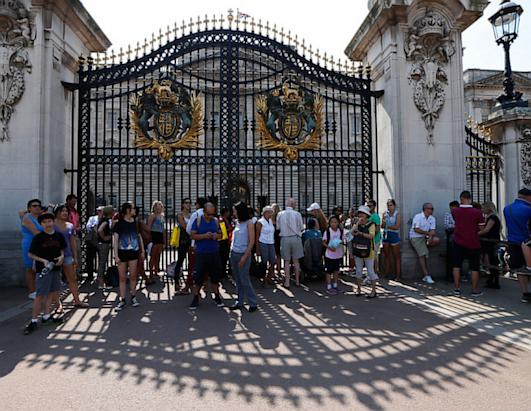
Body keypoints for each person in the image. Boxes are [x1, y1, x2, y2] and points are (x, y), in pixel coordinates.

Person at [24, 212, 66, 335]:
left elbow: (62, 249)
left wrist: (62, 257)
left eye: (49, 221)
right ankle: (33, 320)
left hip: (56, 269)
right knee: (40, 295)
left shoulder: (59, 236)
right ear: (41, 224)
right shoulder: (38, 237)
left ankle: (47, 316)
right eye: (44, 222)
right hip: (44, 270)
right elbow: (30, 254)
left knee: (52, 293)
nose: (47, 224)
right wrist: (43, 261)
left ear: (53, 222)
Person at [188, 202, 224, 310]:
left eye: (212, 214)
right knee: (198, 276)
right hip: (201, 253)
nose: (210, 216)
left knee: (215, 276)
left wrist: (216, 236)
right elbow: (192, 235)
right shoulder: (198, 221)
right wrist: (204, 236)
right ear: (203, 212)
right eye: (208, 214)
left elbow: (221, 235)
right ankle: (195, 297)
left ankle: (217, 296)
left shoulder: (216, 221)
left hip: (214, 252)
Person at [54, 204, 89, 309]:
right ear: (56, 212)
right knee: (55, 280)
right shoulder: (51, 224)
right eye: (62, 211)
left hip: (68, 255)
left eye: (66, 211)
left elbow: (72, 242)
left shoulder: (70, 225)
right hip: (55, 255)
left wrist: (76, 257)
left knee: (72, 279)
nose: (65, 213)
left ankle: (77, 300)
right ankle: (57, 303)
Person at [112, 202, 145, 311]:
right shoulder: (119, 224)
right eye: (133, 209)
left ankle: (133, 296)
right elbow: (115, 240)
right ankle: (122, 299)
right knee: (122, 277)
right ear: (127, 210)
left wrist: (142, 251)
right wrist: (115, 255)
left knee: (133, 275)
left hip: (133, 253)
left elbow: (139, 237)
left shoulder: (135, 223)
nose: (135, 211)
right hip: (122, 253)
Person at [451, 191, 484, 296]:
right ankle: (474, 290)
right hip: (473, 241)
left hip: (458, 240)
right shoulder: (477, 212)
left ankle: (457, 288)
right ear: (470, 199)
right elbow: (481, 227)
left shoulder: (455, 211)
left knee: (456, 265)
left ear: (461, 199)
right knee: (474, 267)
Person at [503, 188, 531, 303]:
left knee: (520, 269)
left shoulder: (507, 209)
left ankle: (525, 292)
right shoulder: (529, 209)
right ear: (528, 197)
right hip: (527, 241)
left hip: (513, 241)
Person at [229, 202, 258, 311]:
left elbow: (251, 241)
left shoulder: (249, 223)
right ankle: (239, 300)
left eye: (235, 210)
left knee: (244, 278)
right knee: (237, 279)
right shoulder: (237, 222)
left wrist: (245, 256)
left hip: (243, 253)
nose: (233, 213)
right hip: (234, 252)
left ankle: (253, 302)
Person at [276, 198, 304, 288]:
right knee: (296, 261)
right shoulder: (297, 214)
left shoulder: (280, 214)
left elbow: (278, 227)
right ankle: (297, 281)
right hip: (295, 238)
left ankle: (287, 282)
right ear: (292, 204)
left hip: (285, 238)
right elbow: (301, 227)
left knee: (286, 261)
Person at [351, 205, 378, 298]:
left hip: (368, 250)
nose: (361, 215)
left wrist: (361, 233)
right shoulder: (357, 223)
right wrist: (357, 224)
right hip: (358, 249)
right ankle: (358, 289)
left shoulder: (371, 224)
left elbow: (371, 236)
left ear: (367, 215)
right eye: (360, 213)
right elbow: (352, 232)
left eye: (363, 214)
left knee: (370, 271)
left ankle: (374, 290)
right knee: (358, 270)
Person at [409, 202, 438, 284]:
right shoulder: (418, 217)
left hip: (425, 237)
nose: (432, 210)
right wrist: (428, 234)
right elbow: (416, 229)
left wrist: (430, 237)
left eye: (432, 209)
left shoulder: (432, 218)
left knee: (436, 240)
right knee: (423, 255)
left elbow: (432, 230)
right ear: (425, 209)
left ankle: (425, 248)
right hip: (416, 237)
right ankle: (426, 275)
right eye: (430, 209)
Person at [21, 199, 44, 299]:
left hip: (41, 244)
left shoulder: (41, 217)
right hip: (30, 244)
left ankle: (39, 289)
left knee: (39, 267)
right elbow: (35, 232)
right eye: (34, 206)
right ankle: (32, 291)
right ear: (29, 208)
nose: (37, 207)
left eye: (39, 205)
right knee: (30, 268)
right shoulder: (27, 217)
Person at [479, 201, 502, 289]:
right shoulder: (493, 217)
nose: (481, 210)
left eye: (483, 208)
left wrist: (476, 234)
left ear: (488, 208)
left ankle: (494, 280)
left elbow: (486, 230)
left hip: (491, 241)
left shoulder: (492, 218)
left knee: (492, 260)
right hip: (492, 241)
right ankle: (493, 279)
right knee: (492, 260)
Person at [322, 215, 344, 295]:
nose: (333, 224)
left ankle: (335, 285)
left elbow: (343, 240)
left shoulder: (340, 231)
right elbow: (324, 242)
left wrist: (339, 242)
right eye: (332, 222)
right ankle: (329, 286)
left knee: (336, 270)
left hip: (338, 254)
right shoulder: (327, 231)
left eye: (335, 222)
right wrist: (329, 247)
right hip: (329, 255)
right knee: (329, 271)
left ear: (338, 223)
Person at [174, 198, 192, 293]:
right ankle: (176, 282)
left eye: (189, 203)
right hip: (183, 240)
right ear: (182, 204)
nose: (188, 205)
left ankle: (190, 281)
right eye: (186, 203)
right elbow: (185, 226)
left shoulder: (191, 215)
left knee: (191, 261)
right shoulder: (180, 215)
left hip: (191, 240)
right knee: (180, 260)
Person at [382, 199, 401, 281]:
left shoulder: (397, 214)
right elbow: (382, 226)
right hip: (386, 234)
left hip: (394, 234)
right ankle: (387, 273)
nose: (389, 207)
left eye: (391, 205)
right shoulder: (385, 214)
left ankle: (398, 275)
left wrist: (387, 226)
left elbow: (397, 226)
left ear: (394, 205)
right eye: (388, 205)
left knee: (396, 256)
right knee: (386, 255)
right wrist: (384, 224)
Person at [256, 206, 276, 286]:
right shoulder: (260, 222)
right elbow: (257, 235)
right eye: (269, 212)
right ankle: (264, 278)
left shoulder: (270, 221)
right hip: (263, 242)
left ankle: (269, 276)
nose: (270, 214)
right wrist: (257, 249)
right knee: (264, 261)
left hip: (271, 242)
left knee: (272, 261)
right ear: (265, 213)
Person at [96, 206, 114, 289]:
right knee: (102, 263)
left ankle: (101, 281)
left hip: (101, 243)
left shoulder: (102, 219)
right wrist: (104, 237)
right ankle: (100, 283)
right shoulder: (106, 220)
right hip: (104, 244)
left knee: (102, 262)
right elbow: (100, 230)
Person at [147, 201, 165, 280]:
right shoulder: (152, 216)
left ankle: (156, 271)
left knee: (158, 255)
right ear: (154, 207)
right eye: (157, 206)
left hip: (160, 235)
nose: (158, 207)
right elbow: (148, 227)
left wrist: (164, 239)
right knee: (153, 255)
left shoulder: (161, 216)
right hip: (154, 235)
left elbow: (163, 228)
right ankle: (151, 272)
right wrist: (149, 238)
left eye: (160, 206)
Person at [85, 206, 103, 283]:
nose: (100, 212)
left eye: (101, 211)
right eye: (98, 211)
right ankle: (90, 275)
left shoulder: (106, 219)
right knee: (90, 258)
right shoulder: (92, 218)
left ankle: (100, 275)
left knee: (102, 259)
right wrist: (93, 226)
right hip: (92, 240)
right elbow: (88, 226)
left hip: (101, 239)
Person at [65, 194, 81, 279]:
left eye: (75, 202)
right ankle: (68, 275)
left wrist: (78, 227)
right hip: (67, 235)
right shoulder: (65, 210)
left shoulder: (75, 210)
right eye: (73, 201)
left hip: (75, 234)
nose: (74, 203)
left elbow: (77, 221)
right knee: (68, 255)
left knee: (77, 254)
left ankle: (76, 273)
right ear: (68, 200)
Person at [444, 201, 459, 281]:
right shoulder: (448, 214)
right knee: (451, 257)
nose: (452, 211)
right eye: (451, 209)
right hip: (451, 238)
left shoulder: (460, 214)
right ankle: (450, 275)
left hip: (459, 238)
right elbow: (447, 226)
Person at [366, 199, 381, 273]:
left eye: (370, 206)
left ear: (374, 207)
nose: (368, 207)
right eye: (367, 206)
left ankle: (375, 272)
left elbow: (377, 229)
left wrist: (371, 235)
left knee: (374, 256)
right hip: (370, 239)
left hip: (375, 239)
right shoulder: (369, 215)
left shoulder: (375, 216)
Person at [218, 207, 233, 279]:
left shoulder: (226, 219)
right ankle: (222, 272)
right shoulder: (221, 220)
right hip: (223, 241)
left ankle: (223, 271)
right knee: (223, 257)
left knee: (225, 257)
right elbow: (223, 230)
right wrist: (230, 229)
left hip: (226, 240)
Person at [343, 207, 357, 276]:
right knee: (350, 253)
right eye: (350, 211)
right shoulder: (347, 220)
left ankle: (355, 268)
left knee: (355, 254)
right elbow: (344, 229)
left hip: (355, 239)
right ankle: (351, 268)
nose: (351, 213)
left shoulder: (356, 220)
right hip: (348, 239)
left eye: (353, 212)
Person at [271, 203, 282, 275]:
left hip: (272, 237)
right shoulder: (280, 218)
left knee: (272, 254)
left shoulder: (270, 219)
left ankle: (272, 270)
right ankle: (279, 269)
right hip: (279, 236)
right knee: (279, 254)